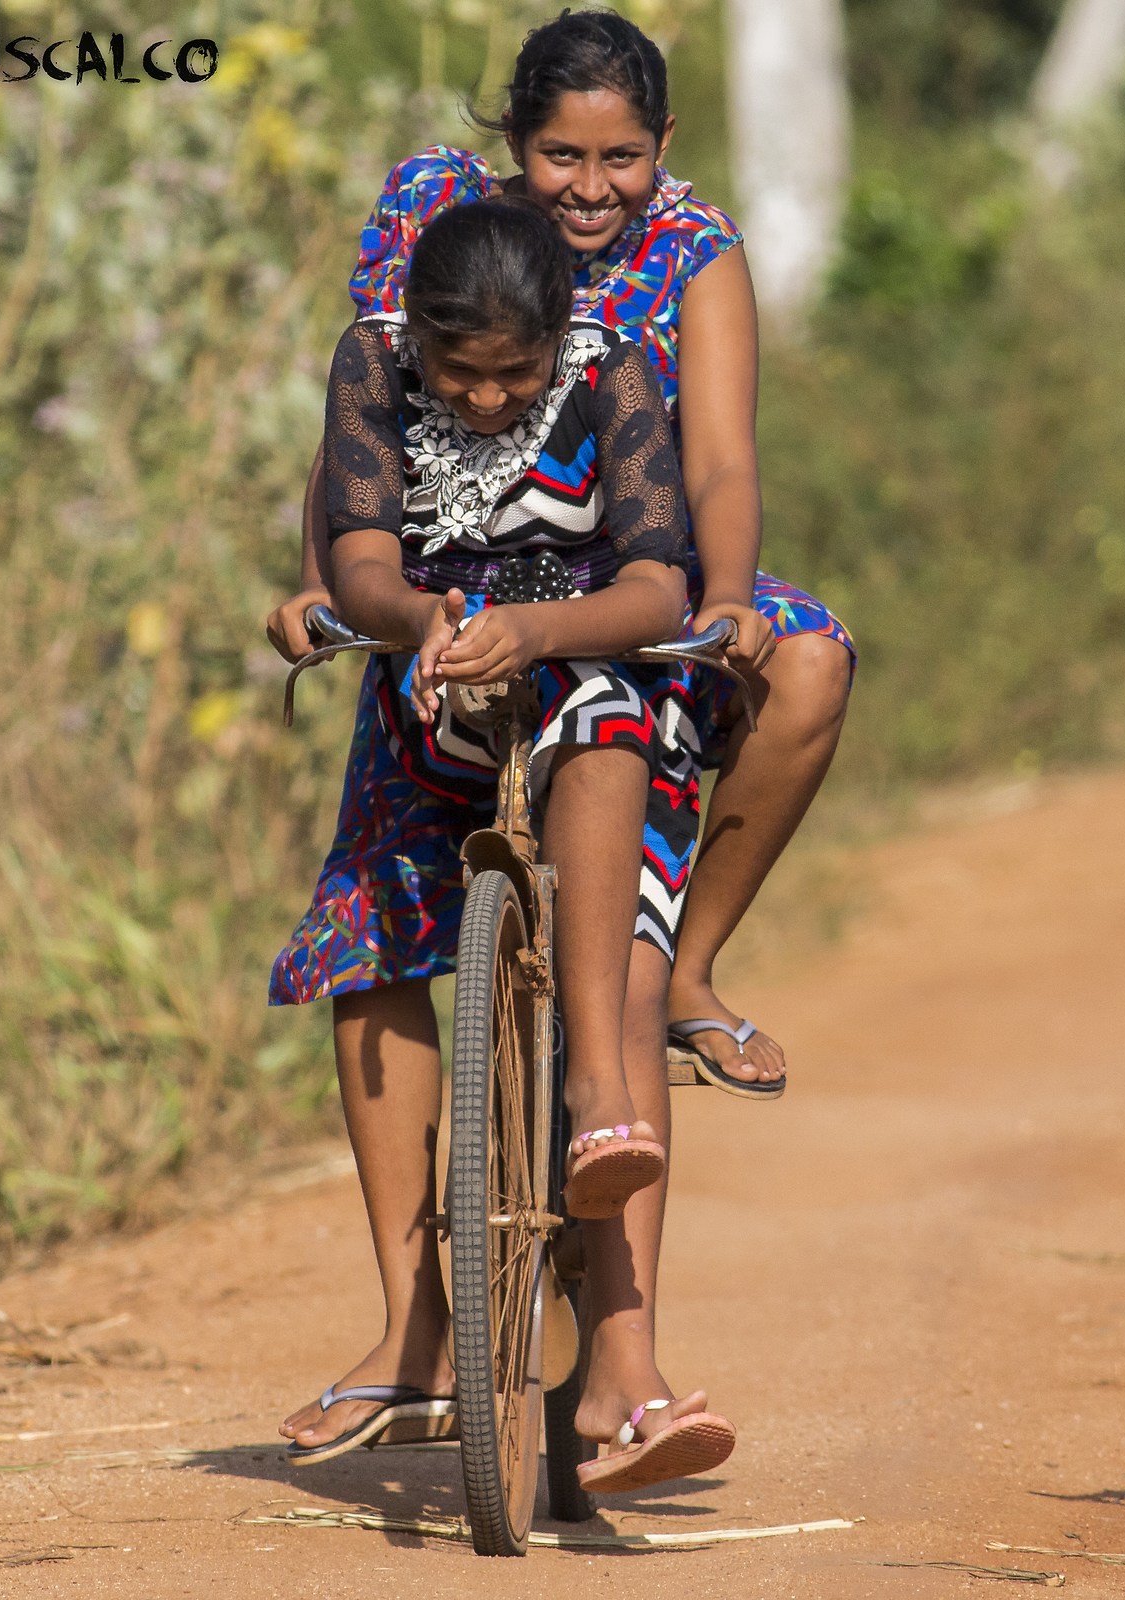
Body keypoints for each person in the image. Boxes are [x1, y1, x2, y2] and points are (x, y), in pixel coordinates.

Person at [267, 8, 854, 1099]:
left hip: (629, 580)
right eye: (561, 156)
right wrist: (325, 578)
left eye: (621, 157)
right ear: (514, 146)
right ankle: (418, 1265)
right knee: (370, 929)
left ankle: (685, 966)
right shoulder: (439, 216)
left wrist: (725, 597)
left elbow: (720, 462)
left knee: (811, 659)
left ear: (665, 143)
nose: (591, 187)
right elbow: (359, 423)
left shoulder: (694, 251)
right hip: (442, 585)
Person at [270, 196, 734, 1491]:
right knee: (359, 949)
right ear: (415, 336)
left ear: (559, 343)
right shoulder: (371, 363)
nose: (480, 401)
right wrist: (422, 619)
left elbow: (656, 585)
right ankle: (412, 1325)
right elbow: (358, 551)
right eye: (457, 373)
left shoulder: (613, 372)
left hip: (588, 684)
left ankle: (596, 1099)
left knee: (602, 729)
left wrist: (533, 633)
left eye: (511, 375)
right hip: (432, 693)